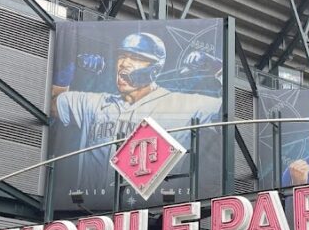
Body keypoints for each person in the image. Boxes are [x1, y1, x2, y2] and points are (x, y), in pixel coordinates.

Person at [50, 31, 222, 187]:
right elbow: (52, 103)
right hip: (88, 209)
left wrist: (217, 68)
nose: (124, 63)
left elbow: (230, 109)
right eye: (122, 56)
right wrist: (70, 67)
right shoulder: (94, 104)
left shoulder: (180, 105)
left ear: (154, 69)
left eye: (135, 58)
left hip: (153, 210)